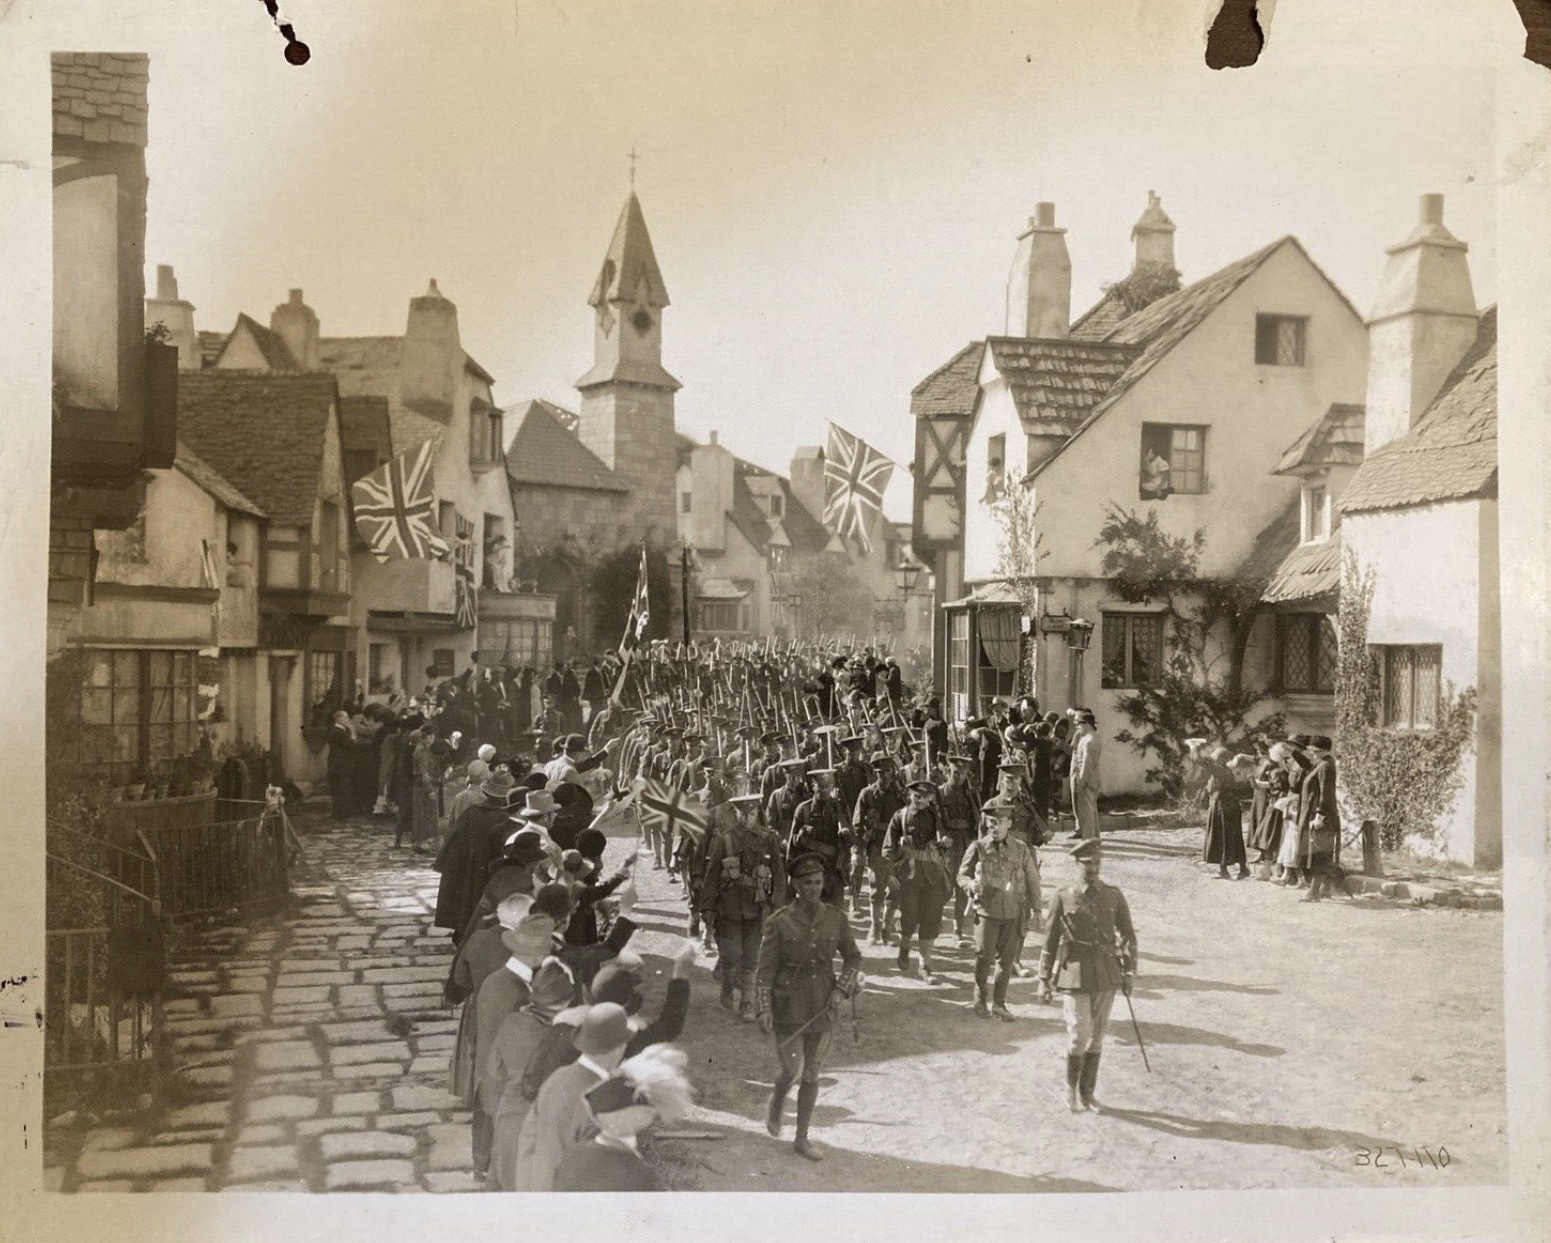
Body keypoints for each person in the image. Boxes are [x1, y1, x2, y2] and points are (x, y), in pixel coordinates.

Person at [755, 853, 863, 1162]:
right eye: (807, 883)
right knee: (791, 1071)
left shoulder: (836, 918)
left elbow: (854, 957)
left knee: (812, 1074)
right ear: (794, 884)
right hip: (788, 1005)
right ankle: (777, 1099)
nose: (814, 888)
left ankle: (801, 1138)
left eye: (818, 882)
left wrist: (841, 989)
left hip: (823, 1004)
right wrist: (765, 1009)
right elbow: (765, 971)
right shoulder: (778, 922)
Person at [1037, 839, 1137, 1113]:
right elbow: (1050, 940)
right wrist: (1043, 979)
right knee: (1079, 1035)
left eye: (1097, 862)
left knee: (1097, 1036)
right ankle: (1070, 1088)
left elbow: (1128, 935)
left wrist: (1128, 971)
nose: (1093, 868)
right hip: (1074, 972)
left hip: (1106, 973)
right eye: (1087, 862)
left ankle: (1088, 1093)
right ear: (1076, 863)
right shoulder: (1063, 895)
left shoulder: (1113, 895)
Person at [512, 1001, 633, 1192]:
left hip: (538, 1188)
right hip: (571, 1202)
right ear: (619, 1049)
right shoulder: (601, 1096)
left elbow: (528, 1139)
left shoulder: (556, 1077)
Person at [551, 1045, 696, 1192]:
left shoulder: (574, 1154)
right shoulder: (640, 1175)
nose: (653, 1115)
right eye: (651, 1112)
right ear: (640, 1116)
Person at [701, 791, 787, 1018]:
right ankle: (728, 986)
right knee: (730, 956)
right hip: (728, 909)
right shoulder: (725, 839)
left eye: (752, 814)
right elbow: (711, 876)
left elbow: (779, 875)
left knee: (751, 957)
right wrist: (707, 907)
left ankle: (747, 1001)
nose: (748, 819)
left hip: (757, 909)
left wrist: (778, 905)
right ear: (736, 814)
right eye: (743, 814)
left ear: (758, 813)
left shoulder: (768, 839)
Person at [958, 797, 1043, 1020]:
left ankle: (999, 1004)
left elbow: (1033, 880)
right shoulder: (977, 847)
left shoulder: (1020, 849)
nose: (994, 827)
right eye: (991, 822)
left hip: (1013, 912)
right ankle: (979, 998)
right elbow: (961, 874)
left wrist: (1037, 910)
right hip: (987, 912)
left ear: (1009, 824)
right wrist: (970, 885)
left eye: (1000, 822)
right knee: (984, 956)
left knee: (1005, 961)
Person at [882, 778, 955, 983]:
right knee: (909, 918)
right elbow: (888, 849)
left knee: (931, 918)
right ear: (909, 796)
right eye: (917, 796)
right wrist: (888, 875)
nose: (921, 801)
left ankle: (925, 966)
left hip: (933, 875)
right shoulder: (900, 817)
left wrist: (944, 841)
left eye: (926, 797)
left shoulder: (935, 816)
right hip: (908, 876)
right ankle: (904, 949)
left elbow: (943, 836)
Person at [852, 754, 904, 941]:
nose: (886, 777)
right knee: (877, 888)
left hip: (895, 847)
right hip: (876, 846)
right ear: (876, 773)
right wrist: (858, 849)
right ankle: (875, 926)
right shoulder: (867, 794)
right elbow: (857, 823)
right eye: (882, 773)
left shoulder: (899, 794)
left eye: (889, 772)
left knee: (896, 888)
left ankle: (887, 927)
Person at [787, 768, 849, 908]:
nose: (824, 790)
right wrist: (791, 872)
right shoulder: (803, 809)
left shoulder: (838, 808)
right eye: (820, 787)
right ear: (813, 786)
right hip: (810, 871)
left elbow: (848, 840)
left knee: (835, 914)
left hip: (833, 871)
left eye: (828, 787)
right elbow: (793, 845)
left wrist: (845, 830)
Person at [936, 754, 981, 945]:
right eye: (955, 773)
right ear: (947, 772)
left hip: (966, 844)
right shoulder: (939, 793)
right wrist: (941, 836)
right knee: (945, 888)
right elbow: (936, 819)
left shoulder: (970, 794)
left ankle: (958, 928)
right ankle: (935, 919)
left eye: (963, 774)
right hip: (948, 845)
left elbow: (977, 820)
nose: (959, 777)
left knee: (963, 888)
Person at [1296, 736, 1348, 902]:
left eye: (1315, 751)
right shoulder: (1320, 763)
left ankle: (1314, 892)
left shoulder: (1325, 767)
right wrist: (1294, 753)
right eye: (1311, 750)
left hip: (1320, 816)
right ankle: (1326, 888)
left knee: (1319, 853)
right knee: (1317, 852)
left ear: (1325, 751)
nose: (1312, 753)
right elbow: (1307, 766)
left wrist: (1319, 815)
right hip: (1312, 813)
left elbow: (1326, 793)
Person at [1198, 745, 1251, 880]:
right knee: (1227, 838)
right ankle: (1230, 869)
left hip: (1224, 807)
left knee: (1225, 837)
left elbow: (1200, 761)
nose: (1214, 760)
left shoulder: (1220, 771)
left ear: (1221, 759)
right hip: (1224, 806)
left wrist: (1194, 747)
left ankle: (1239, 869)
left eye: (1216, 758)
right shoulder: (1223, 770)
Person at [1069, 710, 1102, 841]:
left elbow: (1086, 765)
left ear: (1086, 724)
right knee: (1090, 808)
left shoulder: (1090, 741)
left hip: (1087, 779)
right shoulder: (1090, 738)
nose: (1077, 727)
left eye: (1078, 724)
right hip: (1089, 778)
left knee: (1087, 810)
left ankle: (1089, 838)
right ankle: (1093, 836)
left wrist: (1081, 782)